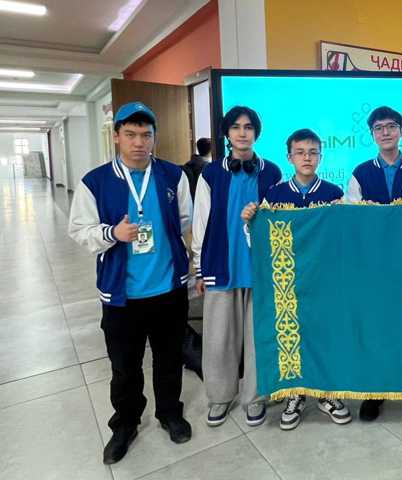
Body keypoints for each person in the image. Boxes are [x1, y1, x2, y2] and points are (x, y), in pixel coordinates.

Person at [68, 101, 193, 464]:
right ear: (117, 137)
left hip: (168, 288)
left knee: (169, 358)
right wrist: (113, 233)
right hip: (122, 295)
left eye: (146, 135)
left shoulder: (173, 176)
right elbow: (79, 230)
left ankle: (169, 412)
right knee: (125, 366)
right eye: (131, 134)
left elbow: (184, 219)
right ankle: (125, 424)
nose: (139, 142)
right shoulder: (96, 181)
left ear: (154, 137)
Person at [241, 128, 352, 430]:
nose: (307, 158)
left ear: (321, 157)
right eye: (300, 152)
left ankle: (328, 394)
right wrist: (250, 222)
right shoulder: (275, 195)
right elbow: (259, 241)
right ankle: (295, 395)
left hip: (325, 281)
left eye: (313, 152)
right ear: (289, 157)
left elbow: (344, 241)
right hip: (287, 282)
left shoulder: (333, 193)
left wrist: (345, 216)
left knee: (325, 336)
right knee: (292, 337)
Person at [192, 106, 282, 429]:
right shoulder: (211, 174)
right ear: (227, 134)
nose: (243, 133)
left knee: (259, 337)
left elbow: (277, 218)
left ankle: (255, 397)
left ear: (256, 133)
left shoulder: (272, 172)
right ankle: (219, 396)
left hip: (260, 269)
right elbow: (200, 222)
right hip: (221, 264)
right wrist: (199, 268)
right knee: (219, 338)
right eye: (236, 127)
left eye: (248, 127)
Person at [344, 106, 402, 420]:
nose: (385, 132)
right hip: (375, 266)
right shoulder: (360, 173)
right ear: (371, 134)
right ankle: (375, 391)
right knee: (376, 328)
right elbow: (353, 221)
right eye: (379, 128)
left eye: (391, 126)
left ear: (401, 131)